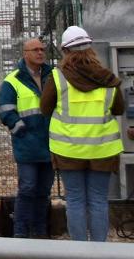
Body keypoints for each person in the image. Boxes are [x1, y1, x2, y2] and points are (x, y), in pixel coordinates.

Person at [41, 25, 125, 242]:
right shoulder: (108, 79)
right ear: (91, 48)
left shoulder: (58, 78)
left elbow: (44, 108)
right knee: (98, 200)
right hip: (102, 149)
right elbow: (119, 109)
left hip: (68, 149)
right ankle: (99, 250)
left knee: (76, 200)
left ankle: (79, 250)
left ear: (65, 51)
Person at [0, 38, 52, 238]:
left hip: (50, 143)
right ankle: (20, 234)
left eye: (42, 49)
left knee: (44, 192)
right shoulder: (13, 80)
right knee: (27, 189)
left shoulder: (53, 76)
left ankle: (40, 233)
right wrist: (21, 130)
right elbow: (6, 110)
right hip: (27, 146)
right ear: (25, 53)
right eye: (35, 50)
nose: (40, 53)